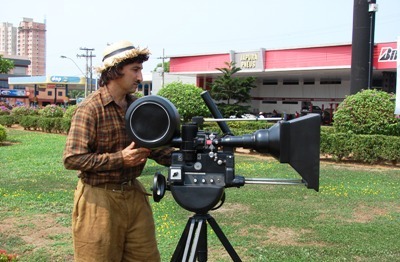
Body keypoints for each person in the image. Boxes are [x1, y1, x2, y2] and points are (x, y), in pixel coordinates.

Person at [63, 40, 174, 262]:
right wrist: (120, 159)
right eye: (135, 70)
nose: (140, 77)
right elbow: (72, 158)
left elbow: (156, 149)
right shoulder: (90, 109)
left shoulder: (140, 107)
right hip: (98, 199)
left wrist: (188, 153)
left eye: (140, 70)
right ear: (114, 71)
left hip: (134, 195)